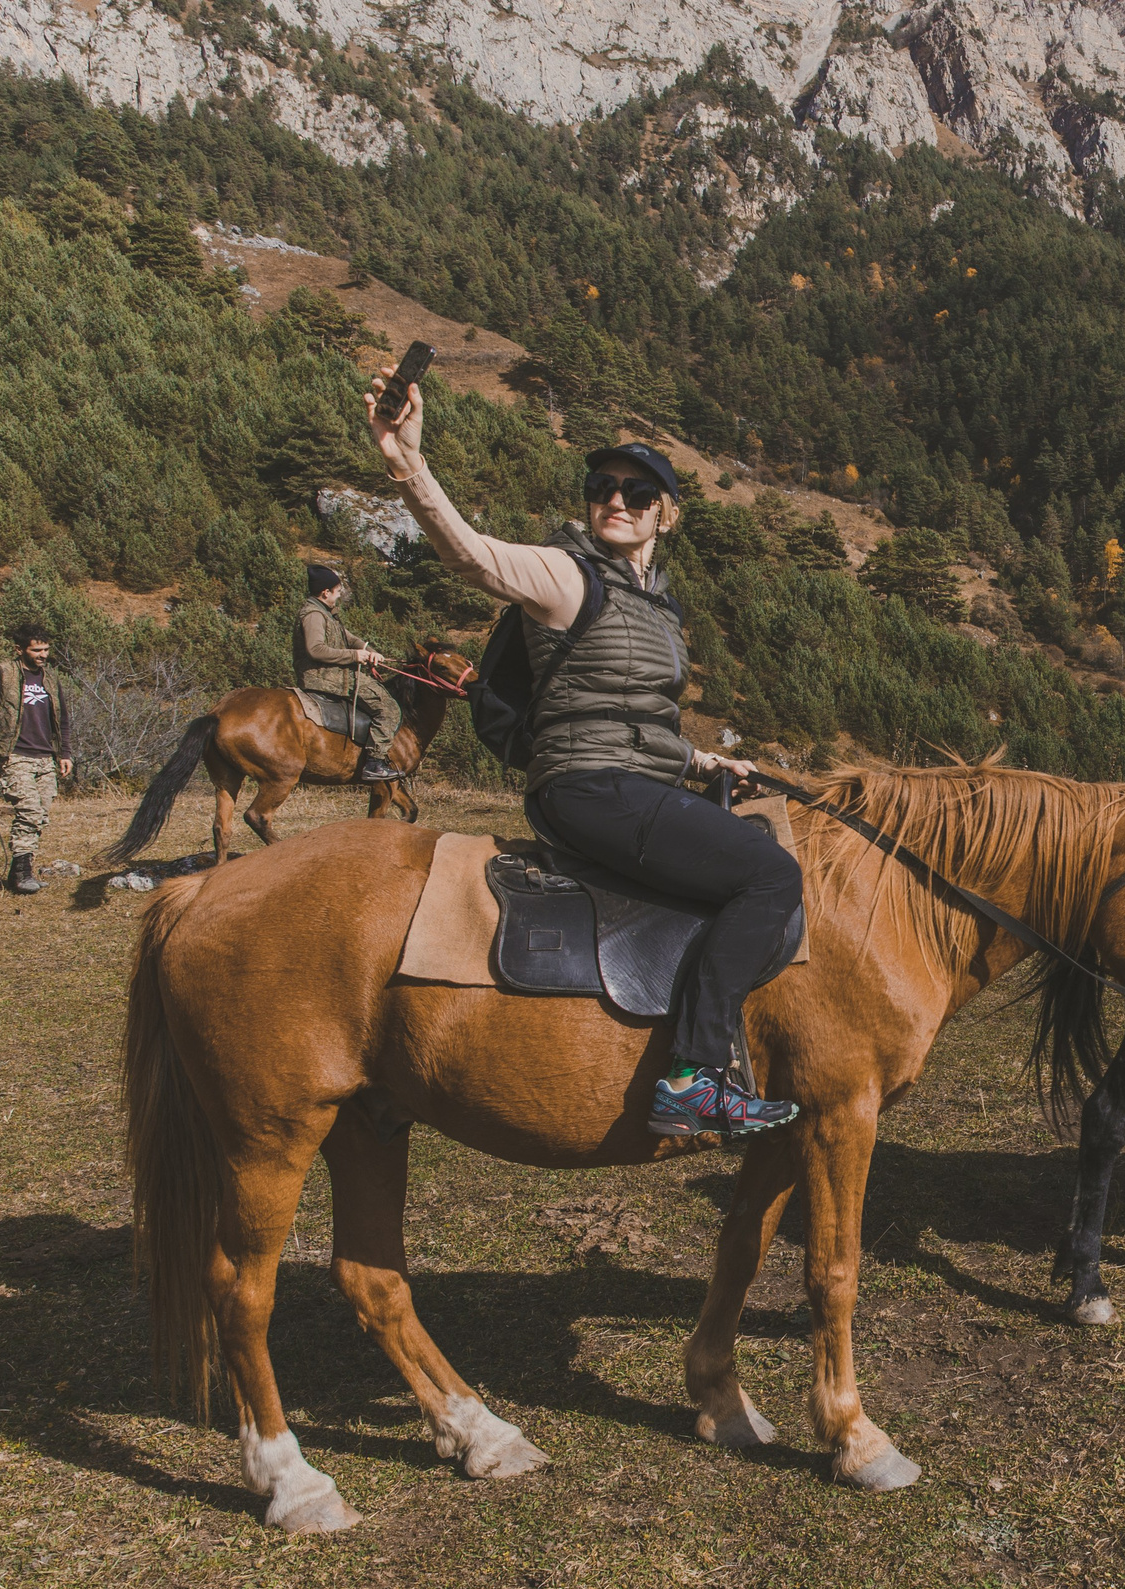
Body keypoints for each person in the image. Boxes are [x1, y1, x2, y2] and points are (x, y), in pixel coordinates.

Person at [366, 364, 803, 1138]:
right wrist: (408, 464)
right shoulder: (567, 573)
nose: (616, 501)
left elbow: (635, 716)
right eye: (603, 485)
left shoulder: (658, 605)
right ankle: (694, 1078)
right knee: (771, 876)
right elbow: (470, 553)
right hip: (588, 788)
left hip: (631, 780)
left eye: (637, 494)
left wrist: (703, 761)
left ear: (665, 515)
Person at [0, 625, 73, 895]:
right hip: (13, 753)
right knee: (29, 810)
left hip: (44, 756)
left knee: (41, 815)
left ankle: (21, 871)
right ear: (20, 650)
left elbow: (63, 720)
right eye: (36, 650)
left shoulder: (50, 678)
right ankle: (22, 875)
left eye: (46, 649)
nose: (43, 655)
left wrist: (65, 753)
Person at [296, 565, 405, 785]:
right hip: (324, 676)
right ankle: (375, 763)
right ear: (325, 592)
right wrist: (355, 656)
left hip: (332, 673)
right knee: (388, 707)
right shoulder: (314, 616)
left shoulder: (326, 613)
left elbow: (349, 638)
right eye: (337, 591)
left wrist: (369, 650)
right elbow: (315, 649)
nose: (339, 596)